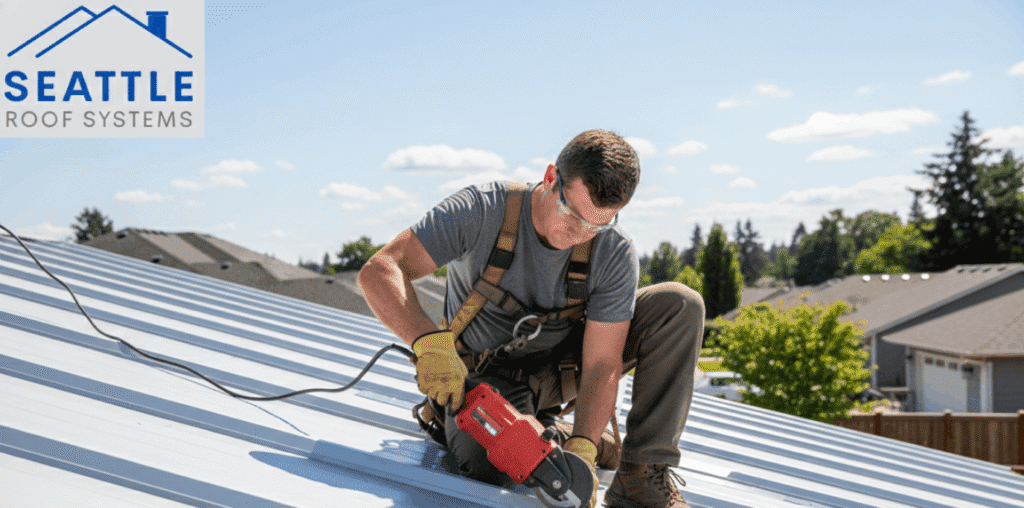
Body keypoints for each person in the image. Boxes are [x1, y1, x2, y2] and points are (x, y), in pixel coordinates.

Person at [358, 129, 704, 508]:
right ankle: (549, 437)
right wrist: (428, 342)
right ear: (551, 178)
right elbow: (382, 269)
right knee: (496, 467)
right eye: (571, 214)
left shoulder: (614, 251)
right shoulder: (483, 209)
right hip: (483, 380)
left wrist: (585, 450)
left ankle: (639, 477)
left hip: (561, 374)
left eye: (597, 225)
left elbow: (603, 362)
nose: (580, 234)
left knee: (679, 305)